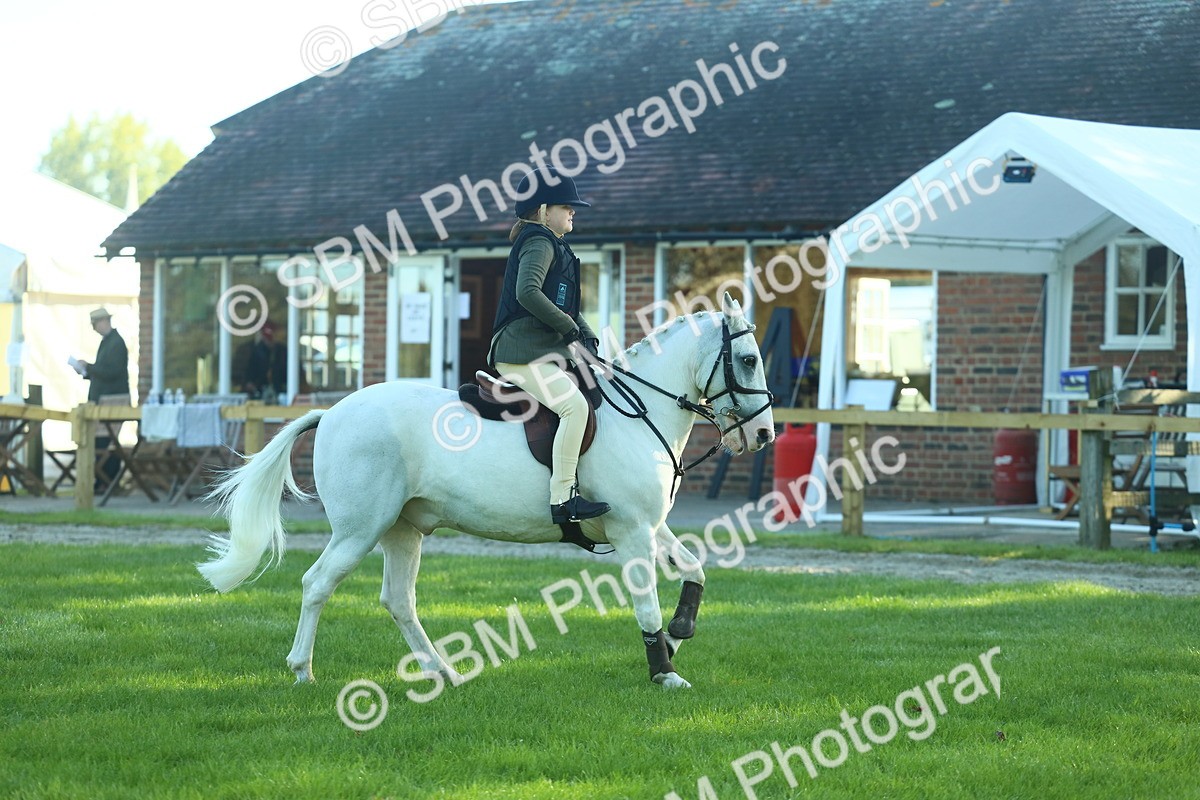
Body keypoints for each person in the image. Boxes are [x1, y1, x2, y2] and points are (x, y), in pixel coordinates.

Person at [488, 167, 609, 525]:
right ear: (543, 211)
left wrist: (587, 336)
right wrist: (570, 329)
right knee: (575, 407)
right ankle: (563, 499)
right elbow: (528, 293)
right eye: (566, 206)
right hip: (520, 353)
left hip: (539, 352)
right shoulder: (539, 240)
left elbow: (565, 309)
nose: (573, 211)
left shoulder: (554, 244)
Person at [77, 307, 130, 489]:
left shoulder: (116, 343)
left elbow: (113, 372)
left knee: (105, 443)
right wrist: (85, 371)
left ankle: (106, 482)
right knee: (101, 442)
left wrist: (89, 367)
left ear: (104, 321)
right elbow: (102, 370)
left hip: (113, 401)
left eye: (95, 324)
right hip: (103, 399)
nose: (94, 328)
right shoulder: (107, 342)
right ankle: (102, 481)